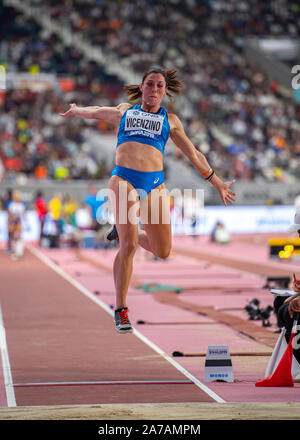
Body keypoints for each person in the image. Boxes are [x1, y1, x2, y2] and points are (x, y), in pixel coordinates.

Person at [60, 67, 236, 333]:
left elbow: (194, 154)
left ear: (165, 92)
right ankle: (121, 309)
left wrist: (216, 181)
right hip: (123, 180)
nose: (154, 90)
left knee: (163, 251)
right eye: (150, 84)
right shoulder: (126, 112)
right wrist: (77, 110)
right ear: (141, 87)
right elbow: (98, 111)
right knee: (130, 246)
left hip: (154, 185)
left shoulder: (172, 120)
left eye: (159, 86)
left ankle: (121, 231)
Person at [7, 190, 26, 260]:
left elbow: (23, 214)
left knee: (18, 237)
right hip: (12, 223)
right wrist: (10, 222)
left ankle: (19, 252)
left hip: (18, 223)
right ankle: (15, 250)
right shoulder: (11, 205)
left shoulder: (21, 205)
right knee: (13, 238)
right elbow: (9, 214)